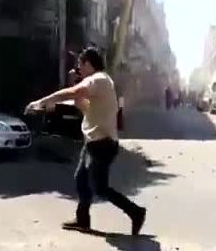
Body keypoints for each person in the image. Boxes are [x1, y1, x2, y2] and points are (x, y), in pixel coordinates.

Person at [25, 47, 146, 235]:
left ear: (88, 63)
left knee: (100, 188)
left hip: (102, 144)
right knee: (81, 180)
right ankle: (83, 220)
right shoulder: (99, 83)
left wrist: (41, 101)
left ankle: (136, 212)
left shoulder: (98, 79)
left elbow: (74, 92)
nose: (78, 69)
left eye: (80, 65)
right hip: (94, 143)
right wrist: (73, 94)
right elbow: (84, 107)